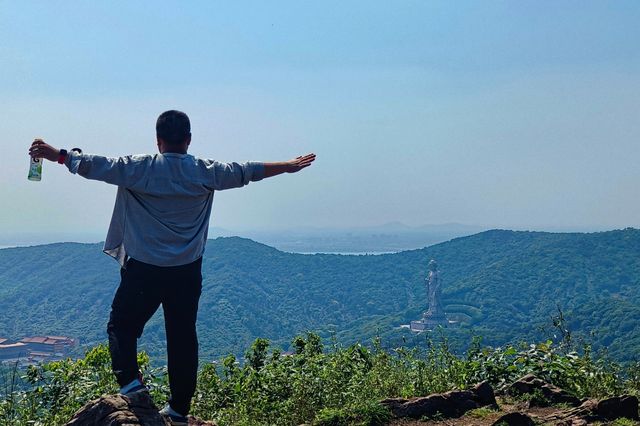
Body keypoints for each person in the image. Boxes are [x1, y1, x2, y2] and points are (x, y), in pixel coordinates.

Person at [28, 110, 316, 425]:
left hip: (144, 270)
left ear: (158, 140)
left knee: (122, 327)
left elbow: (93, 165)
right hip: (186, 272)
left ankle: (131, 385)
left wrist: (57, 155)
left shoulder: (139, 168)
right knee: (182, 338)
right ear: (188, 140)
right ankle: (178, 411)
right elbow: (247, 171)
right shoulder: (207, 172)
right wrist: (287, 167)